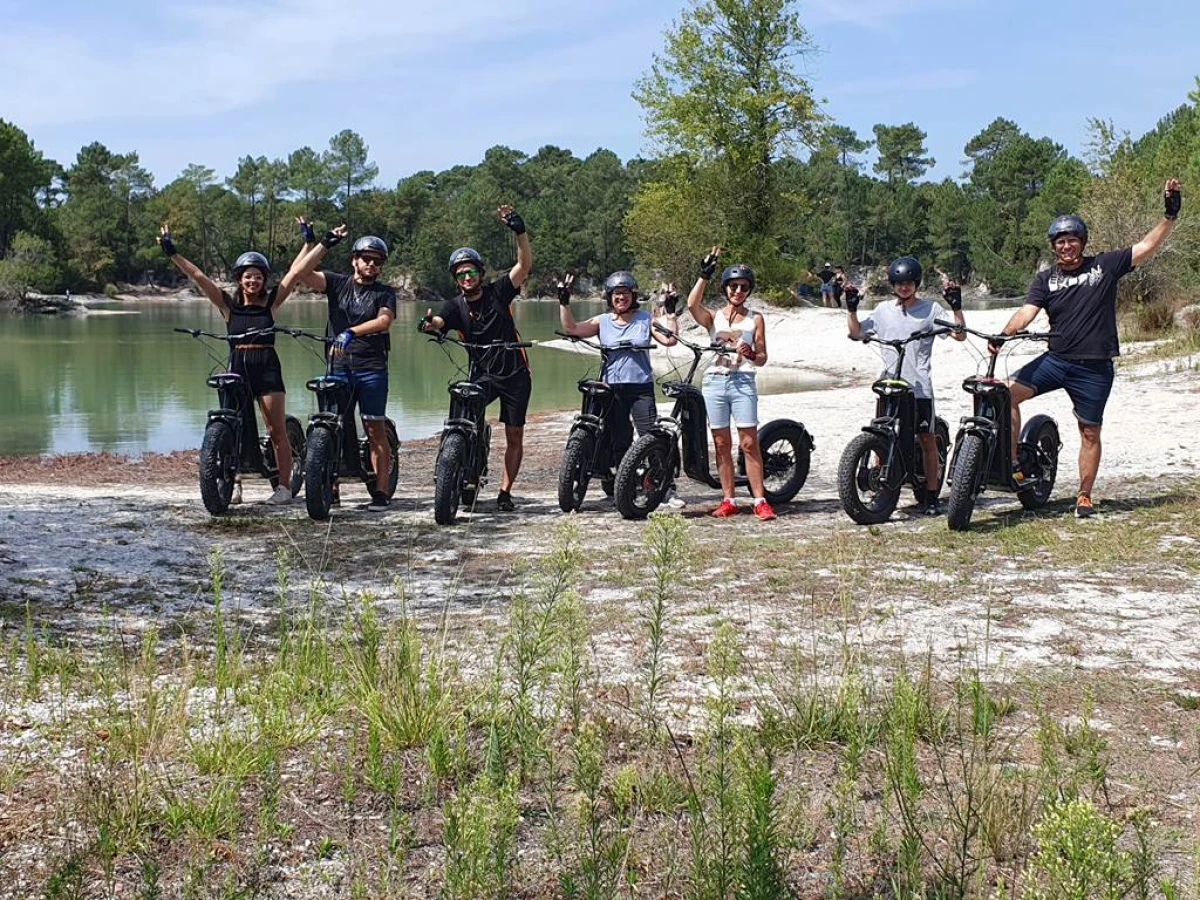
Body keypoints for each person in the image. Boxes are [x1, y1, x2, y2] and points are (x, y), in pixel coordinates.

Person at [992, 179, 1182, 519]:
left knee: (1089, 431)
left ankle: (1084, 495)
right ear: (1054, 246)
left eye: (1072, 240)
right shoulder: (1045, 279)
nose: (1067, 246)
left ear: (1082, 243)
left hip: (1094, 367)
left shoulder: (1104, 266)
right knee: (1004, 395)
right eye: (1061, 241)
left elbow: (1146, 246)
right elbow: (1027, 312)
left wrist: (1169, 215)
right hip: (1055, 360)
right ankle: (1016, 464)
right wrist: (1005, 332)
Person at [158, 223, 333, 505]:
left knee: (276, 430)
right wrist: (172, 252)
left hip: (267, 368)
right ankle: (234, 485)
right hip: (237, 368)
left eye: (258, 277)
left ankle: (284, 488)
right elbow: (198, 276)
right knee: (234, 428)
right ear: (240, 280)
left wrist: (310, 242)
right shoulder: (228, 305)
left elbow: (294, 274)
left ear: (264, 280)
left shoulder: (271, 304)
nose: (253, 281)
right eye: (248, 277)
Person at [419, 205, 533, 512]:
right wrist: (430, 325)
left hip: (514, 374)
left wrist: (519, 232)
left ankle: (505, 492)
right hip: (482, 374)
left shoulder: (498, 293)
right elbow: (441, 321)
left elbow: (523, 265)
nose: (467, 277)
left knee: (513, 434)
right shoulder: (455, 306)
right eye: (461, 274)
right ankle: (465, 467)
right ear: (456, 280)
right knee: (465, 414)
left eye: (471, 272)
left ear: (480, 274)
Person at [847, 256, 967, 514]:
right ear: (893, 284)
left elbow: (959, 335)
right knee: (882, 435)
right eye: (899, 283)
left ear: (917, 284)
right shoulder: (882, 310)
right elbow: (857, 333)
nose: (904, 287)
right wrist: (851, 310)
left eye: (909, 283)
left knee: (926, 439)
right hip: (889, 384)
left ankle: (932, 497)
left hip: (919, 387)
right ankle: (885, 486)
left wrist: (957, 308)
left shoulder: (931, 309)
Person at [557, 270, 683, 506]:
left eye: (625, 293)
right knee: (619, 438)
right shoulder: (602, 321)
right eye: (616, 294)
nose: (621, 297)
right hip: (611, 388)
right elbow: (572, 329)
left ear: (632, 295)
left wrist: (671, 311)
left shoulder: (645, 319)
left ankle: (665, 487)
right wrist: (564, 302)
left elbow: (670, 340)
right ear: (609, 297)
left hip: (640, 388)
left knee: (649, 436)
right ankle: (623, 486)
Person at [296, 228, 398, 511]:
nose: (371, 265)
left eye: (377, 261)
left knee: (373, 427)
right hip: (338, 367)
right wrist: (324, 244)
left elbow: (384, 322)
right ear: (354, 260)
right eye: (366, 259)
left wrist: (351, 332)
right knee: (332, 427)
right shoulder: (337, 284)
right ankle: (331, 488)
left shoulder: (385, 292)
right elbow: (302, 273)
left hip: (371, 367)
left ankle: (380, 492)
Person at [686, 248, 776, 520]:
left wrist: (750, 353)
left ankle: (760, 500)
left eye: (743, 287)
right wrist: (704, 275)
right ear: (725, 288)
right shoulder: (714, 317)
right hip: (715, 381)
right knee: (721, 442)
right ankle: (729, 499)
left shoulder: (755, 318)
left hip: (742, 381)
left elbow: (762, 358)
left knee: (749, 442)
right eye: (733, 286)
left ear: (749, 290)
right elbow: (691, 305)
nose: (738, 291)